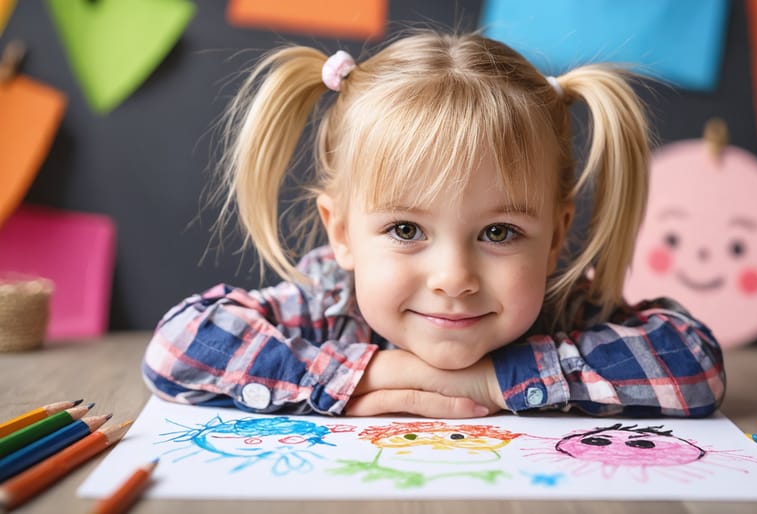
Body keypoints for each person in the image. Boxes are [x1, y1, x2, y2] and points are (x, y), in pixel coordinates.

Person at [142, 30, 725, 419]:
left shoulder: (567, 307)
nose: (453, 278)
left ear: (555, 237)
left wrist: (492, 381)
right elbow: (178, 348)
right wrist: (373, 373)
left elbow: (695, 363)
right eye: (405, 230)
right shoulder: (329, 303)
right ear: (341, 233)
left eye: (499, 232)